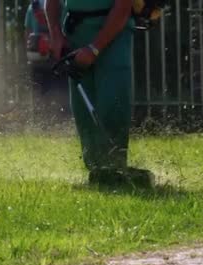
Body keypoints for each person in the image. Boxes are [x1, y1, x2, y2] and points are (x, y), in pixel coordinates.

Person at [45, 0, 153, 186]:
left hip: (114, 32)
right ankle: (97, 169)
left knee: (113, 100)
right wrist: (56, 34)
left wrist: (94, 48)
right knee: (83, 109)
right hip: (76, 31)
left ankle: (114, 166)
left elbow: (123, 6)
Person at [24, 0, 68, 118]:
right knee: (62, 90)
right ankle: (63, 118)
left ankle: (40, 119)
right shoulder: (61, 6)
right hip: (58, 57)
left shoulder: (32, 8)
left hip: (38, 59)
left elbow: (27, 33)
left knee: (39, 93)